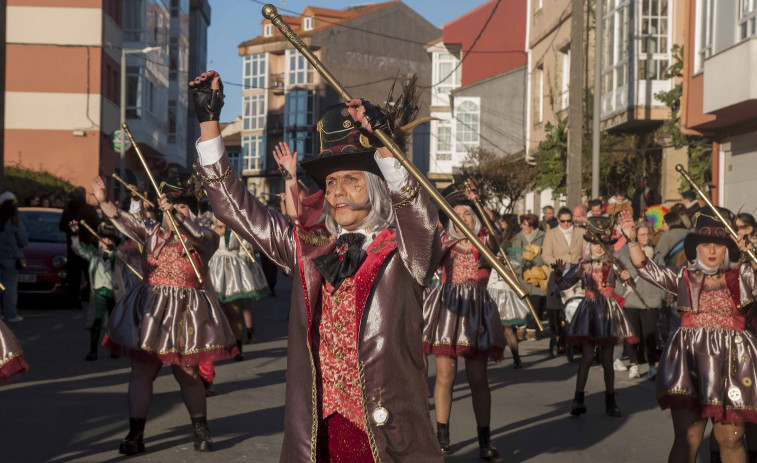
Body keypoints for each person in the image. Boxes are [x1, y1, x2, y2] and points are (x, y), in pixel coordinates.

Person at [192, 70, 443, 462]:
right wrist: (209, 124)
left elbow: (421, 217)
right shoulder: (308, 247)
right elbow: (235, 208)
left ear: (376, 187)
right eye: (330, 183)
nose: (337, 192)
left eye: (351, 180)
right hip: (317, 433)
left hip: (387, 436)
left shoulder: (406, 251)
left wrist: (387, 149)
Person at [91, 175, 237, 455]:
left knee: (188, 373)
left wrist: (180, 220)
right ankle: (135, 434)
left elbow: (197, 236)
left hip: (186, 314)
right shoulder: (149, 232)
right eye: (170, 206)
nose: (175, 211)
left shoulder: (205, 238)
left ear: (191, 212)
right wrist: (103, 199)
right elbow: (119, 217)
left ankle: (201, 429)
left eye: (182, 207)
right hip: (151, 312)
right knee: (142, 371)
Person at [619, 207, 757, 463]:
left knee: (731, 439)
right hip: (691, 361)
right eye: (706, 244)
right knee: (687, 438)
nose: (712, 251)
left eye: (720, 244)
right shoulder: (685, 276)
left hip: (734, 364)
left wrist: (750, 251)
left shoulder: (744, 275)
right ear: (697, 248)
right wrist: (630, 238)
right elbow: (643, 266)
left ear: (729, 248)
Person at [423, 187, 504, 458]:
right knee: (445, 375)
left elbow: (498, 233)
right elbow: (427, 264)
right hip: (448, 309)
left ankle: (485, 438)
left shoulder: (486, 238)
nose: (462, 218)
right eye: (457, 214)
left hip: (477, 310)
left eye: (468, 214)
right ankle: (442, 435)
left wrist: (479, 202)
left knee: (478, 378)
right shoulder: (444, 238)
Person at [556, 216, 637, 417]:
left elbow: (630, 287)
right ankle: (578, 398)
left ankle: (611, 400)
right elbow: (565, 284)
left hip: (609, 311)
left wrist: (628, 279)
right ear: (590, 244)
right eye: (595, 243)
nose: (599, 248)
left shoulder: (615, 263)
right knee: (586, 357)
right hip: (589, 310)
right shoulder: (583, 265)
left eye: (603, 244)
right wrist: (559, 275)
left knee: (607, 359)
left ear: (608, 245)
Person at [616, 222, 666, 379]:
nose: (646, 237)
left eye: (648, 234)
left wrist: (662, 294)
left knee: (650, 334)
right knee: (633, 333)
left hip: (651, 298)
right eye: (642, 234)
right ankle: (633, 364)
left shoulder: (656, 253)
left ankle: (652, 366)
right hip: (632, 297)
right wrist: (624, 282)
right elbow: (618, 271)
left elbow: (663, 276)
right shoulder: (624, 252)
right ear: (635, 236)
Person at [69, 220, 122, 361]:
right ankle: (93, 350)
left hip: (114, 291)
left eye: (109, 239)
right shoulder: (93, 254)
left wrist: (114, 251)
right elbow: (78, 249)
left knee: (113, 322)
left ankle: (114, 349)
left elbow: (125, 258)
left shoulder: (118, 255)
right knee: (96, 320)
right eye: (103, 238)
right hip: (99, 291)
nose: (105, 241)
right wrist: (75, 234)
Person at [543, 207, 586, 356]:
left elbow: (586, 252)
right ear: (558, 221)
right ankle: (557, 336)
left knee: (575, 306)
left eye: (569, 221)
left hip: (575, 273)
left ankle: (575, 338)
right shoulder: (551, 234)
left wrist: (579, 265)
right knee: (555, 308)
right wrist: (558, 265)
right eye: (563, 221)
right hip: (558, 273)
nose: (566, 224)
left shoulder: (580, 233)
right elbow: (546, 255)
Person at [59, 186, 99, 310]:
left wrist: (72, 231)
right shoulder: (89, 209)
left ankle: (74, 300)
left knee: (73, 276)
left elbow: (61, 226)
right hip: (87, 246)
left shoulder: (69, 209)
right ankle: (89, 298)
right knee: (89, 274)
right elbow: (97, 225)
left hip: (73, 246)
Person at [510, 213, 547, 341]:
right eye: (522, 224)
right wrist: (524, 261)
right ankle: (521, 327)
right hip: (521, 274)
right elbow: (515, 253)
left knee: (536, 302)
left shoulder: (543, 236)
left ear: (532, 225)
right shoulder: (517, 237)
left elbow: (546, 253)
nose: (523, 227)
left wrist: (535, 261)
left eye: (525, 224)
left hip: (539, 275)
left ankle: (532, 330)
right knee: (521, 303)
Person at [0, 192, 28, 322]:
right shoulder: (14, 221)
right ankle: (10, 314)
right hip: (10, 258)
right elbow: (23, 240)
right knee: (10, 287)